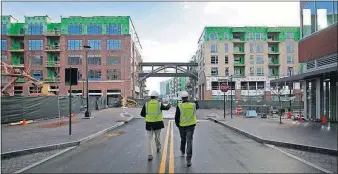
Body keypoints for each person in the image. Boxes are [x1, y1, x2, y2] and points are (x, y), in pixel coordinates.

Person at [140, 91, 171, 161]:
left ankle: (150, 154)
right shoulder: (159, 104)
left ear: (150, 97)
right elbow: (166, 108)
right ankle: (158, 147)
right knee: (157, 137)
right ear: (157, 97)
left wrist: (148, 117)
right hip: (157, 123)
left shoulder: (146, 104)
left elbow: (142, 114)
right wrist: (169, 104)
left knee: (149, 139)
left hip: (149, 124)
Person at [174, 91, 199, 167]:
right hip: (191, 126)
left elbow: (176, 117)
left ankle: (182, 151)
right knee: (189, 142)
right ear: (188, 97)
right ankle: (188, 160)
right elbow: (197, 106)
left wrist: (178, 125)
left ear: (182, 98)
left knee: (183, 139)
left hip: (182, 126)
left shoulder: (180, 106)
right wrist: (195, 100)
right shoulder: (193, 105)